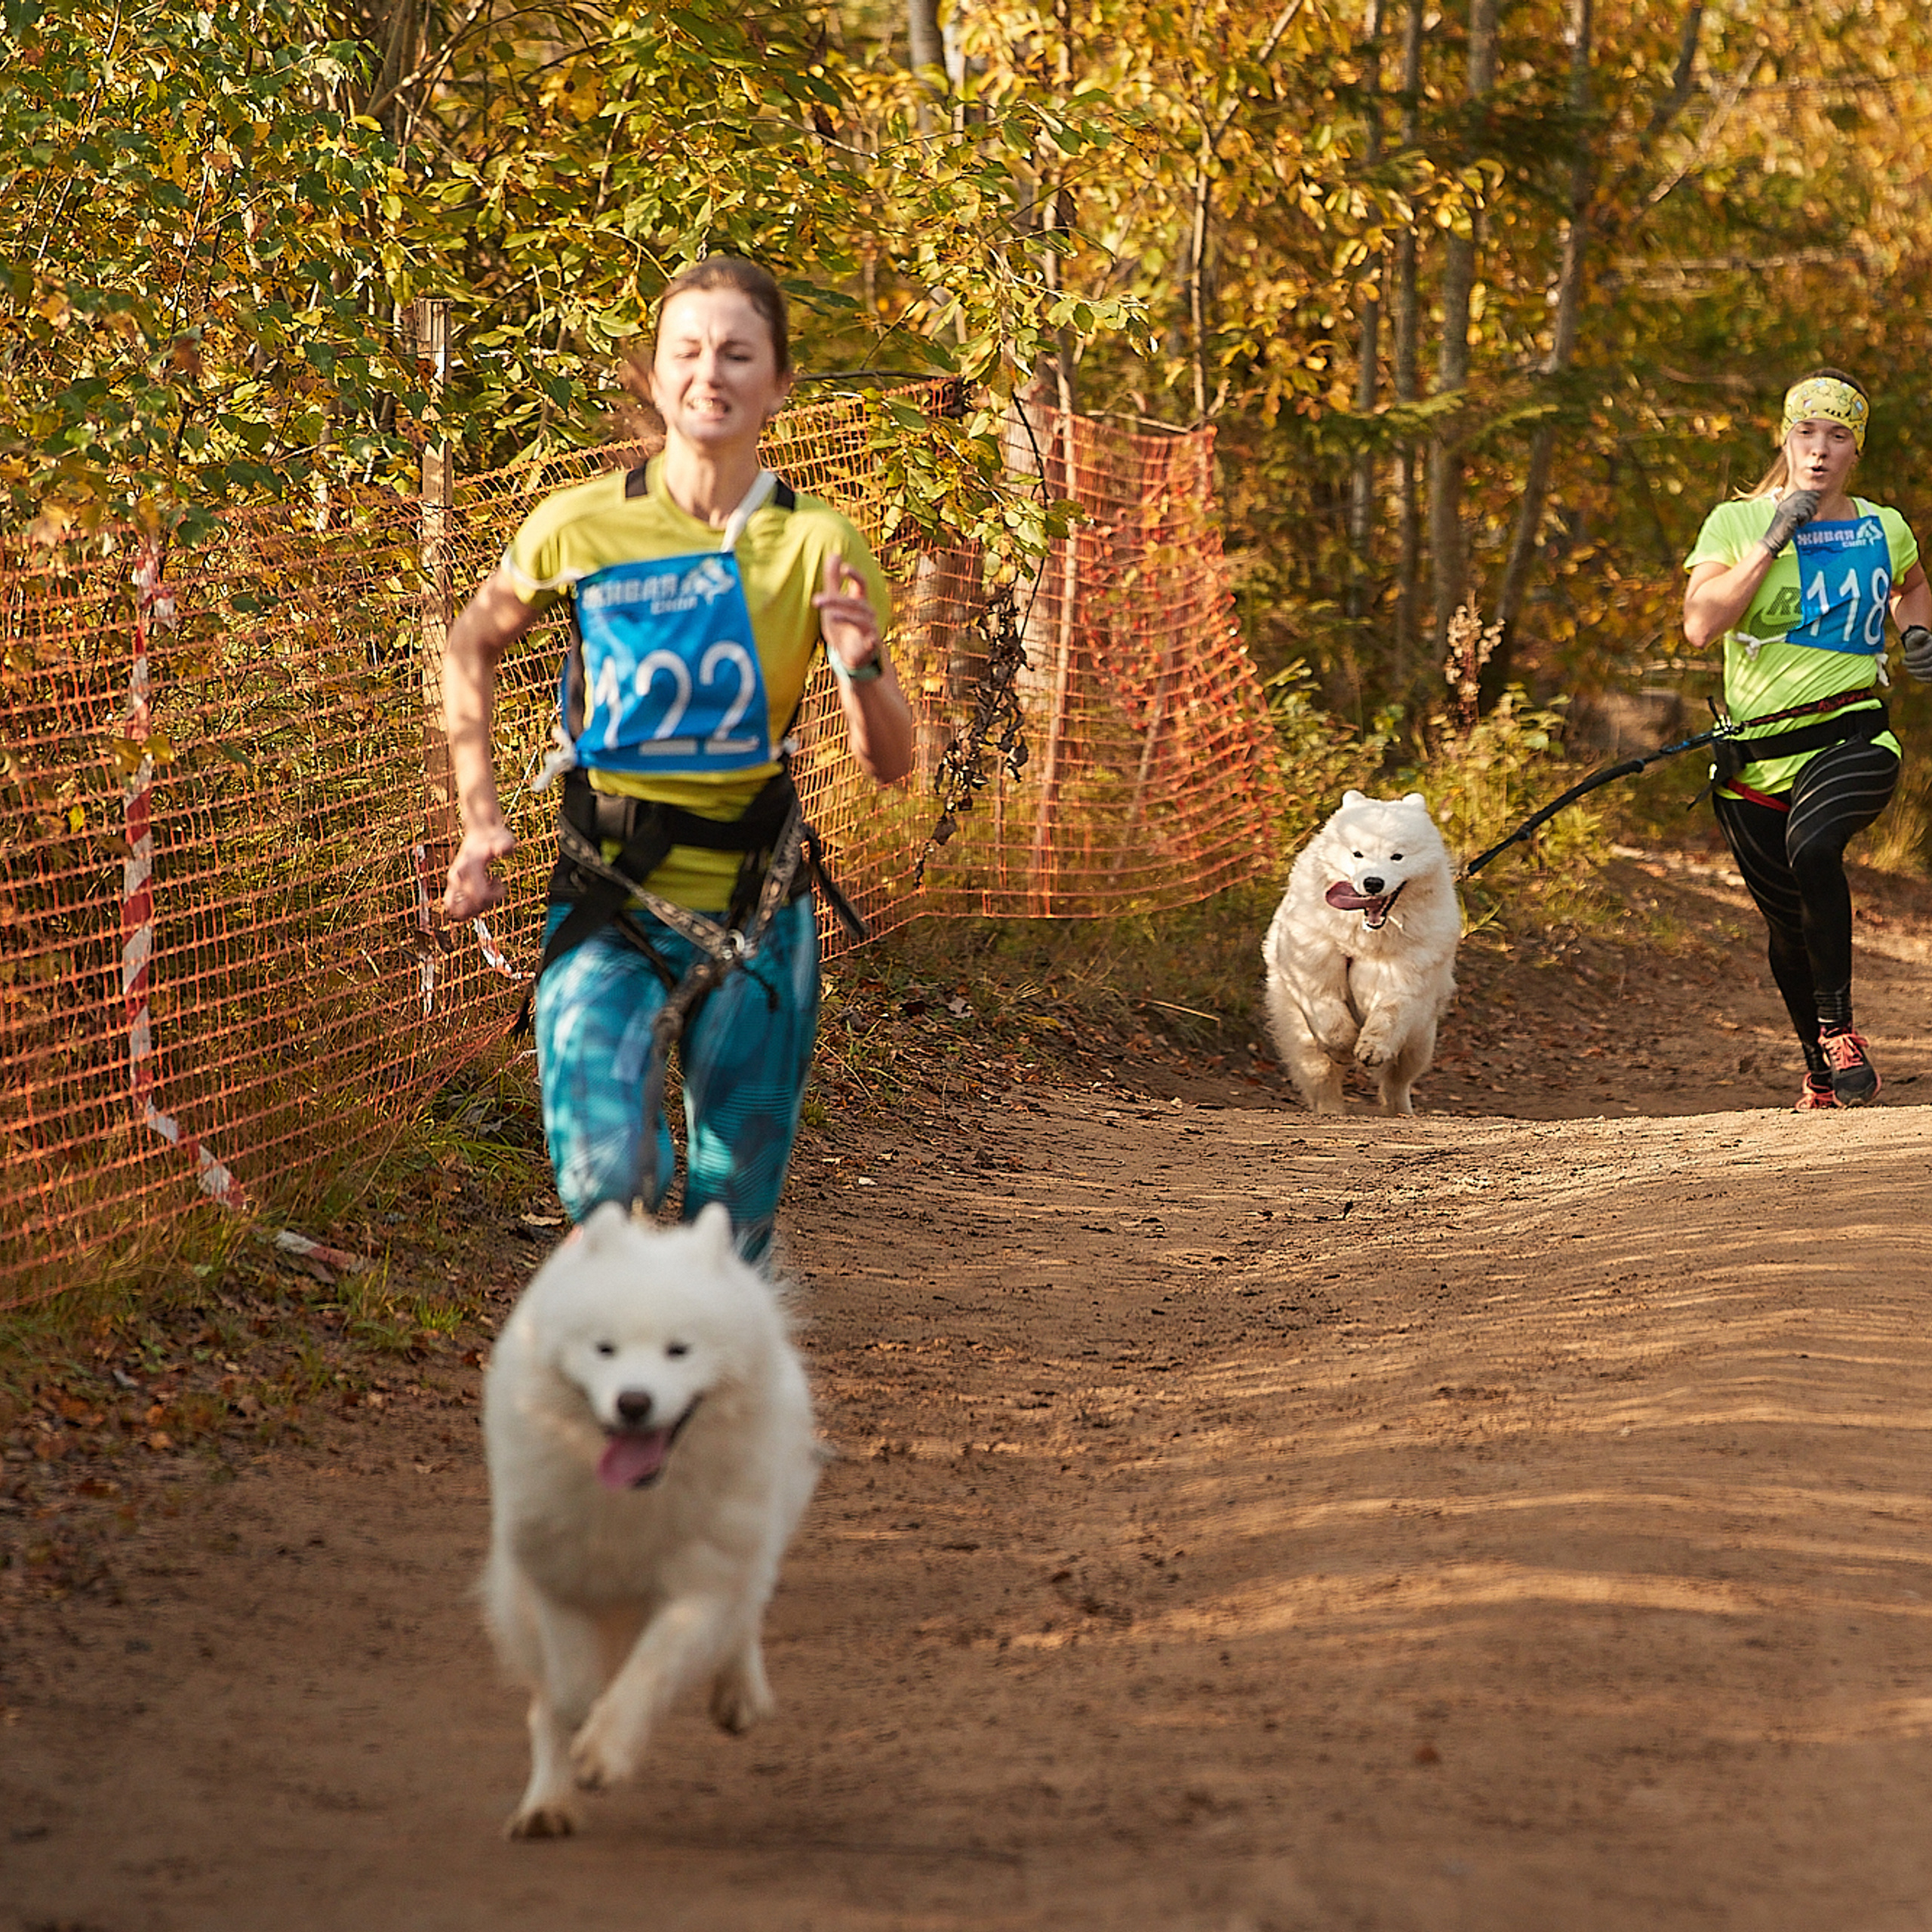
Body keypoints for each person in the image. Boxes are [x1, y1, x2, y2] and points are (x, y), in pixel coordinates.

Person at [439, 257, 913, 1264]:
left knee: (727, 1225)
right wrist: (480, 816)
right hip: (608, 895)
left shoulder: (817, 542)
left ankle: (711, 1399)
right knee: (605, 1184)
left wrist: (862, 661)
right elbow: (470, 642)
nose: (712, 374)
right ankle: (626, 1361)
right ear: (653, 380)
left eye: (739, 353)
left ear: (780, 383)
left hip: (760, 906)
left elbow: (890, 763)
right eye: (687, 353)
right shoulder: (582, 523)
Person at [1683, 367, 1931, 1111]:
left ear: (1856, 449)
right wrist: (1770, 539)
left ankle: (1839, 1027)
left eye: (1837, 435)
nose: (1819, 449)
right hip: (1753, 758)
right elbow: (1701, 625)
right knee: (1787, 925)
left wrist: (1916, 631)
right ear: (1784, 438)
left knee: (1814, 845)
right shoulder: (1731, 523)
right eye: (1806, 432)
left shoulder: (1881, 525)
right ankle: (1819, 1065)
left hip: (1852, 737)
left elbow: (1911, 585)